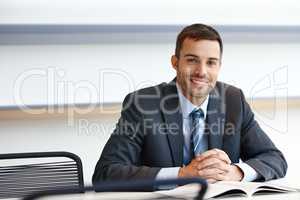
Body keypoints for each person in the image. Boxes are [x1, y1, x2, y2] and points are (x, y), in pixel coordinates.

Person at [92, 24, 287, 186]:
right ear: (175, 62)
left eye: (211, 62)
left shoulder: (233, 100)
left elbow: (274, 158)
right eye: (192, 60)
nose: (201, 71)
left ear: (219, 66)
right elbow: (106, 173)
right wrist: (182, 174)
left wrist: (234, 172)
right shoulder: (143, 104)